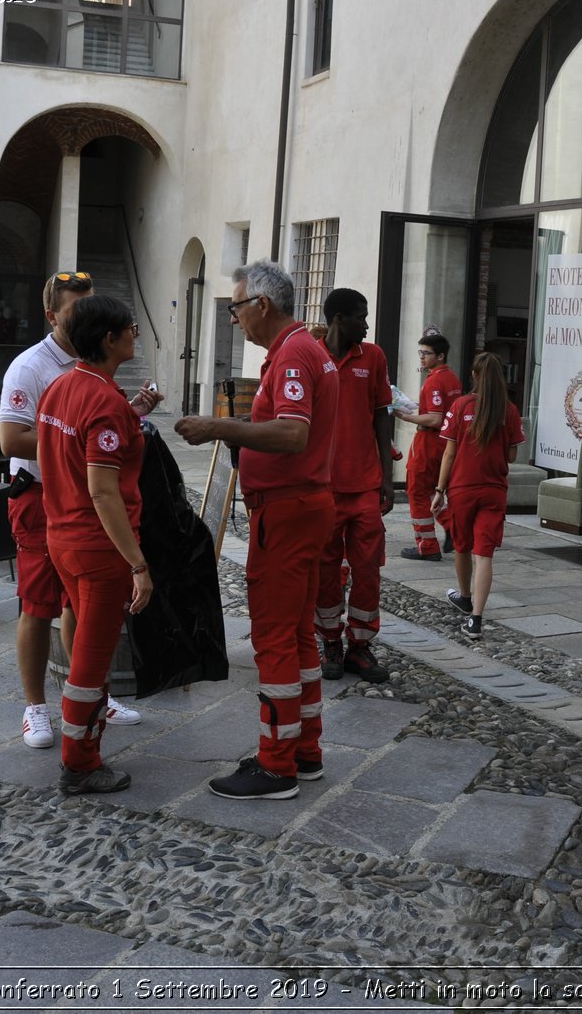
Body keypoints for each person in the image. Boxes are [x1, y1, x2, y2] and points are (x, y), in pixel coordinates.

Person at [174, 260, 337, 800]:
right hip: (303, 507)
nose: (234, 318)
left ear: (262, 305)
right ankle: (302, 749)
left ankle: (275, 765)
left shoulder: (292, 353)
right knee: (296, 634)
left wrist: (217, 427)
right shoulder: (300, 350)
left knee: (273, 634)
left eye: (237, 307)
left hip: (288, 512)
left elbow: (292, 435)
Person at [0, 271, 151, 750]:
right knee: (38, 604)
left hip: (74, 505)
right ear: (53, 316)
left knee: (74, 608)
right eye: (75, 307)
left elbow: (89, 430)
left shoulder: (83, 378)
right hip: (52, 501)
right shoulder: (32, 368)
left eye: (90, 303)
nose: (83, 311)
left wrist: (131, 414)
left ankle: (86, 696)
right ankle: (38, 709)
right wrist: (138, 564)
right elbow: (11, 439)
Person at [35, 294, 154, 794]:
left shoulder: (62, 386)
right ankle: (80, 762)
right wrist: (139, 565)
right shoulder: (103, 401)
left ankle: (82, 747)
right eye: (130, 327)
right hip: (97, 547)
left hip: (61, 535)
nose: (135, 334)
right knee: (92, 655)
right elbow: (103, 491)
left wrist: (130, 415)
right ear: (110, 340)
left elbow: (69, 447)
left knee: (84, 643)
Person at [314, 287, 394, 683]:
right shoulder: (312, 355)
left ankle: (360, 646)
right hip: (322, 488)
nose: (366, 323)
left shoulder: (374, 357)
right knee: (325, 571)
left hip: (364, 486)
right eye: (360, 316)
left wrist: (387, 478)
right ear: (338, 320)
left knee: (368, 569)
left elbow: (383, 416)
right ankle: (330, 641)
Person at [432, 353, 525, 641]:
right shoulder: (508, 410)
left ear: (473, 375)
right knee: (484, 554)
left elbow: (449, 453)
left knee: (462, 546)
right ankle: (476, 620)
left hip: (462, 488)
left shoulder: (460, 406)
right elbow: (511, 454)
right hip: (494, 489)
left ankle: (464, 596)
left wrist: (439, 490)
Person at [394, 332, 461, 561]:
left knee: (417, 491)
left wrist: (406, 417)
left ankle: (427, 545)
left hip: (428, 442)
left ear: (440, 356)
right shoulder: (452, 378)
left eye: (426, 353)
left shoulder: (434, 380)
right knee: (433, 490)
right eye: (420, 352)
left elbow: (434, 419)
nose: (422, 358)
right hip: (445, 444)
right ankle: (452, 526)